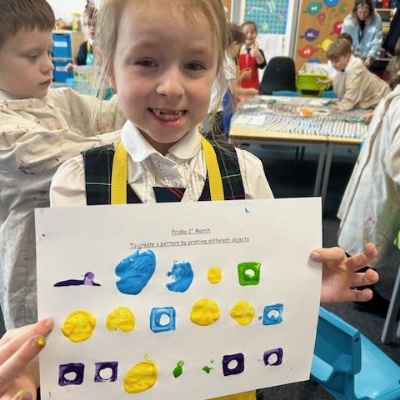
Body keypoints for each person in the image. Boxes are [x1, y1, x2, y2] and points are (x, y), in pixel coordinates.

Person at [0, 0, 381, 399]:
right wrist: (34, 369)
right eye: (146, 62)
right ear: (110, 68)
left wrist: (301, 283)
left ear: (216, 71)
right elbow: (77, 312)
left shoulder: (246, 174)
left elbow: (260, 285)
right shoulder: (78, 181)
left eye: (194, 65)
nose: (171, 87)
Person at [0, 0, 126, 331]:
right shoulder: (5, 132)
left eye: (47, 52)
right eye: (32, 56)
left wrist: (137, 83)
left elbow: (108, 114)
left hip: (79, 256)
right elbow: (75, 159)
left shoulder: (54, 100)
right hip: (34, 277)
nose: (48, 65)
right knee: (40, 346)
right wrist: (137, 135)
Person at [337, 75, 400, 318]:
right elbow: (397, 163)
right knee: (366, 240)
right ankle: (364, 294)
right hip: (381, 184)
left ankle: (360, 286)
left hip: (375, 180)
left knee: (362, 237)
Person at [202, 22, 258, 139]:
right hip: (216, 109)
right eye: (239, 47)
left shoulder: (219, 56)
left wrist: (242, 78)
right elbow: (235, 90)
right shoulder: (228, 60)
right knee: (214, 141)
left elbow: (226, 83)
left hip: (209, 106)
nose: (238, 50)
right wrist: (253, 92)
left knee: (208, 139)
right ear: (234, 44)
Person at [326, 37, 390, 111]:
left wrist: (341, 107)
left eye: (337, 61)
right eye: (331, 61)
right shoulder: (343, 66)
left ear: (348, 57)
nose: (333, 65)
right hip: (370, 99)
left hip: (381, 98)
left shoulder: (356, 71)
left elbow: (351, 92)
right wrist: (333, 81)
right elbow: (344, 82)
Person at [341, 0, 383, 68]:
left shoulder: (377, 19)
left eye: (365, 12)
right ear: (355, 10)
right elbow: (343, 41)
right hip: (350, 60)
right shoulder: (348, 20)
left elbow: (377, 41)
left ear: (370, 10)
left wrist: (370, 58)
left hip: (367, 60)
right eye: (360, 12)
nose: (362, 15)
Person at [238, 21, 267, 91]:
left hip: (253, 87)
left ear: (256, 34)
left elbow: (262, 65)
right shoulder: (236, 50)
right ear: (241, 34)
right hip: (239, 86)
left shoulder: (258, 51)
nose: (249, 35)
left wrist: (258, 56)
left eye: (252, 32)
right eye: (246, 33)